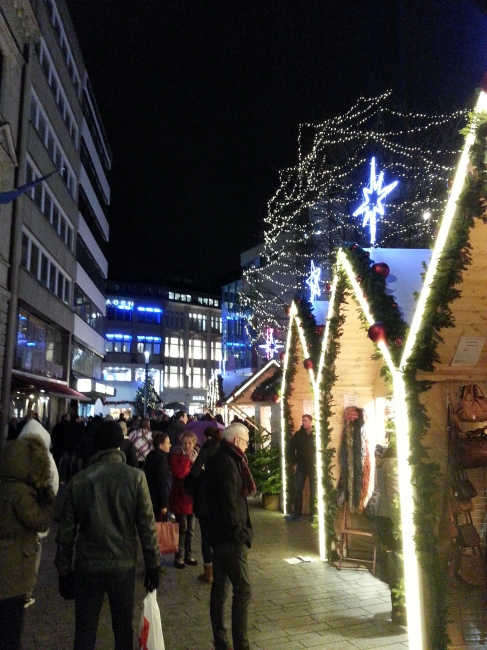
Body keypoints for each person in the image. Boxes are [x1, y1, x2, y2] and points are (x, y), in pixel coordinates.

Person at [55, 420, 160, 650]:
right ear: (119, 446)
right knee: (123, 629)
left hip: (88, 565)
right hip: (122, 566)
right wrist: (153, 564)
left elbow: (66, 532)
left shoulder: (80, 480)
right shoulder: (135, 477)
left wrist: (64, 570)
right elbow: (146, 525)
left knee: (84, 630)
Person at [0, 436, 55, 650]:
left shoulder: (7, 486)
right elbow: (39, 521)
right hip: (11, 571)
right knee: (10, 630)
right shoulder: (20, 494)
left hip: (8, 567)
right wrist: (48, 500)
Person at [205, 423, 256, 650]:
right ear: (237, 441)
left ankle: (220, 640)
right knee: (242, 589)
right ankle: (240, 645)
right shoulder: (228, 462)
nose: (247, 446)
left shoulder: (221, 457)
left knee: (220, 587)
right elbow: (228, 503)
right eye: (245, 441)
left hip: (217, 534)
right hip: (229, 538)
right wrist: (241, 533)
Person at [18, 419, 60, 608]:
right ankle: (26, 592)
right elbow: (54, 485)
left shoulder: (12, 453)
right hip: (36, 514)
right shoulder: (46, 459)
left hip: (12, 516)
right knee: (33, 551)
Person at [185, 426, 222, 583]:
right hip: (221, 499)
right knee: (219, 535)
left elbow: (194, 472)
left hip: (205, 498)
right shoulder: (224, 448)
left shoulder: (207, 447)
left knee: (206, 537)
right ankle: (221, 570)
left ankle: (209, 573)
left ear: (206, 438)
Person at [376, 443, 406, 625]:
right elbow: (395, 496)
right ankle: (400, 610)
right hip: (391, 520)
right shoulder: (393, 464)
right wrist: (400, 524)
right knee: (399, 564)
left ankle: (398, 608)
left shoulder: (383, 464)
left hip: (384, 518)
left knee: (394, 562)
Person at [169, 431, 198, 568]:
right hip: (180, 496)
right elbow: (179, 474)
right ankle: (178, 557)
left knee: (191, 528)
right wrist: (187, 460)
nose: (188, 446)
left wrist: (195, 463)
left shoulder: (196, 455)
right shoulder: (176, 455)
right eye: (185, 443)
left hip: (192, 496)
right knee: (182, 528)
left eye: (190, 443)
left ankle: (188, 554)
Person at [285, 414, 316, 522]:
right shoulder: (298, 435)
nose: (303, 422)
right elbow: (291, 448)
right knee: (297, 489)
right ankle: (297, 514)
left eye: (305, 420)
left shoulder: (316, 435)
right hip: (301, 466)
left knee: (314, 491)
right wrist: (293, 461)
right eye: (302, 420)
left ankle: (314, 515)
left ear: (311, 421)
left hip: (314, 466)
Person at [144, 432, 171, 521]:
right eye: (167, 443)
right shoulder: (162, 459)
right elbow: (161, 481)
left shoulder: (151, 455)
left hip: (150, 494)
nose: (170, 445)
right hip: (157, 498)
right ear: (161, 446)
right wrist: (164, 504)